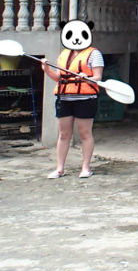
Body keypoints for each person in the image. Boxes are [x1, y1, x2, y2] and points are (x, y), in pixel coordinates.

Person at [40, 20, 103, 179]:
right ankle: (59, 169)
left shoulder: (94, 54)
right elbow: (58, 78)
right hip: (64, 98)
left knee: (84, 133)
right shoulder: (64, 54)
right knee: (63, 134)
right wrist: (46, 69)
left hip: (86, 98)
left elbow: (98, 77)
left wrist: (86, 77)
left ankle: (86, 167)